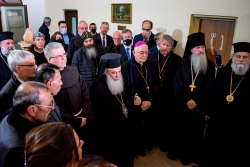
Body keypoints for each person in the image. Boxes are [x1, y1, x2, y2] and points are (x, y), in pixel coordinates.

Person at [172, 32, 216, 165]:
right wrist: (187, 100)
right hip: (183, 105)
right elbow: (177, 84)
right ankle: (179, 154)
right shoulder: (182, 63)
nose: (201, 50)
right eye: (197, 48)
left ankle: (193, 155)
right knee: (181, 131)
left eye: (202, 47)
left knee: (195, 133)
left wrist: (197, 101)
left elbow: (210, 88)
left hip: (199, 108)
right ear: (191, 49)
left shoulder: (210, 65)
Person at [204, 42, 250, 167]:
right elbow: (213, 93)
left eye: (245, 57)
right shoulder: (223, 72)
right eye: (238, 56)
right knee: (215, 145)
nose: (241, 59)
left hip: (239, 121)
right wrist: (208, 111)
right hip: (219, 117)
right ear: (233, 57)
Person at [91, 53, 141, 167]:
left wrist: (135, 99)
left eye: (119, 71)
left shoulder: (124, 83)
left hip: (126, 130)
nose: (118, 75)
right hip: (111, 135)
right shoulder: (98, 90)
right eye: (113, 73)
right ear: (105, 72)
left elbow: (130, 96)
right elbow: (98, 118)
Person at [44, 42, 92, 152]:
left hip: (85, 117)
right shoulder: (46, 78)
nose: (63, 58)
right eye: (58, 56)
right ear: (48, 59)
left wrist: (85, 113)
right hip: (67, 124)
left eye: (64, 54)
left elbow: (86, 93)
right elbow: (56, 107)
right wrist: (76, 120)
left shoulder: (73, 70)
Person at [0, 81, 54, 167]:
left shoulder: (12, 113)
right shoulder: (18, 151)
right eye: (49, 105)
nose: (53, 108)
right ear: (32, 110)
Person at [147, 34, 181, 153]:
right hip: (153, 95)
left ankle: (162, 142)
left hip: (168, 95)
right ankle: (150, 141)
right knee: (151, 119)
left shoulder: (177, 59)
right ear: (159, 44)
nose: (165, 47)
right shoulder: (150, 57)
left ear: (171, 47)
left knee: (165, 120)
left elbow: (177, 79)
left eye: (168, 45)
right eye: (163, 44)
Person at [123, 41, 157, 157]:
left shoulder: (150, 65)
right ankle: (135, 148)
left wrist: (150, 101)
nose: (144, 55)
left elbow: (156, 86)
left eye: (147, 53)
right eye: (141, 53)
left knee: (147, 126)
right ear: (133, 52)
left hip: (148, 103)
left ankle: (144, 145)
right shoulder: (126, 66)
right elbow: (124, 87)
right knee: (134, 128)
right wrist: (136, 99)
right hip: (134, 105)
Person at [0, 50, 37, 120]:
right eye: (31, 65)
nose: (35, 67)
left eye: (35, 63)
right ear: (18, 69)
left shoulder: (34, 78)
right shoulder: (6, 95)